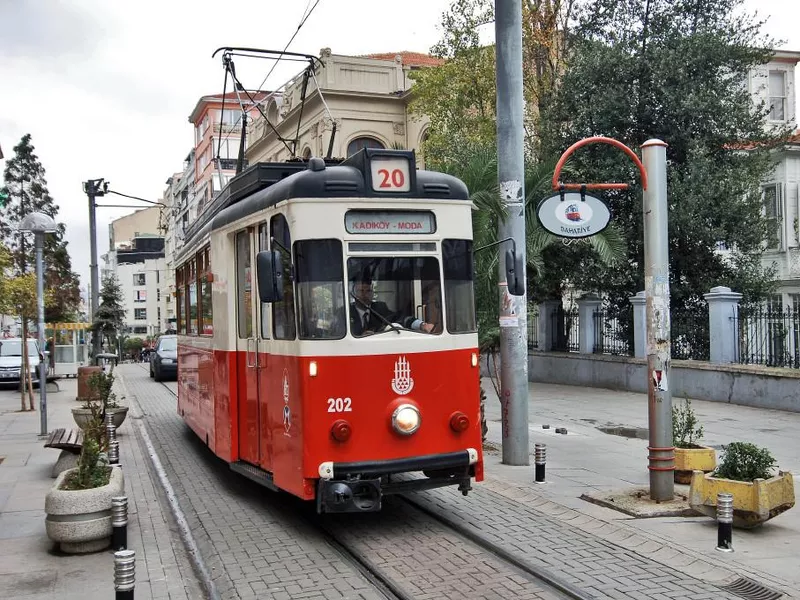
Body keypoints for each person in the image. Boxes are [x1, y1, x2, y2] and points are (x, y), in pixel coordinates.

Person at [349, 277, 434, 336]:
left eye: (368, 291)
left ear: (372, 293)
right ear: (354, 294)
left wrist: (422, 325)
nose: (365, 294)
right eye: (361, 291)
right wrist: (360, 336)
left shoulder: (380, 308)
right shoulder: (345, 312)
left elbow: (401, 318)